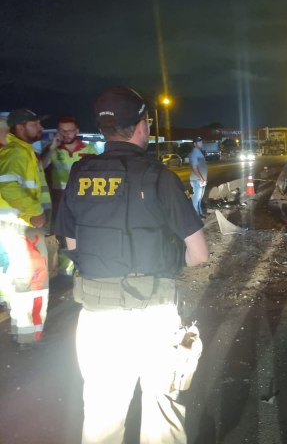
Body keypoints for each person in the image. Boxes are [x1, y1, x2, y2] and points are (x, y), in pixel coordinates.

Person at [54, 86, 209, 443]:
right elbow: (199, 254)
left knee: (102, 415)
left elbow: (72, 244)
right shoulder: (159, 176)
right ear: (142, 127)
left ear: (105, 129)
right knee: (162, 409)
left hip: (97, 318)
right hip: (153, 314)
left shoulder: (79, 174)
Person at [0, 109, 51, 346]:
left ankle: (25, 333)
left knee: (25, 283)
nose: (39, 129)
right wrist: (35, 212)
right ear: (20, 127)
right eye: (35, 124)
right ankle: (27, 336)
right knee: (30, 283)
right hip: (20, 228)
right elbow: (8, 188)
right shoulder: (16, 153)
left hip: (20, 228)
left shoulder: (24, 152)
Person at [41, 116, 98, 220]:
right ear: (58, 131)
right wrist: (52, 147)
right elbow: (41, 167)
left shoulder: (89, 149)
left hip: (82, 195)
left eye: (70, 131)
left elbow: (97, 173)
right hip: (60, 196)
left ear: (77, 131)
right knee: (61, 230)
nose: (66, 134)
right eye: (62, 131)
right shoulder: (51, 149)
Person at [189, 136, 208, 218]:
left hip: (201, 180)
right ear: (195, 144)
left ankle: (200, 214)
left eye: (201, 142)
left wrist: (203, 179)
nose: (201, 143)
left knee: (199, 199)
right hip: (197, 180)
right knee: (196, 199)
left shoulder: (199, 152)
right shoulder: (194, 152)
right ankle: (196, 216)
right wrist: (201, 178)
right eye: (199, 142)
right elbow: (194, 167)